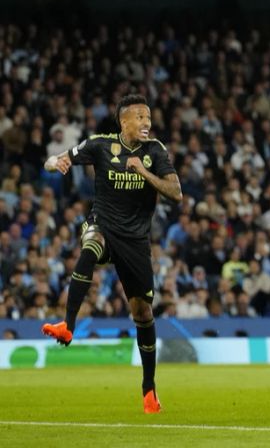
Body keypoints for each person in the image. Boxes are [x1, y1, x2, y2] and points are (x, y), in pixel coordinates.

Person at [41, 94, 182, 414]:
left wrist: (143, 173)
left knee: (143, 313)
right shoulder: (100, 145)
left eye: (149, 117)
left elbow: (176, 193)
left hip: (136, 241)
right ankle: (68, 324)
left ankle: (149, 390)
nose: (147, 123)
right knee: (90, 244)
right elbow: (52, 160)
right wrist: (57, 162)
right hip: (103, 225)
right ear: (124, 121)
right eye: (140, 117)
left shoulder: (155, 151)